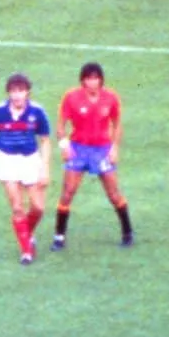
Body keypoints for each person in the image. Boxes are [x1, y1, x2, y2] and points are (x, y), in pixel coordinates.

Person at [53, 60, 133, 250]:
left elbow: (117, 124)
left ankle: (127, 232)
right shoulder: (71, 98)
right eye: (88, 78)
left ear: (101, 80)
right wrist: (64, 146)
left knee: (114, 194)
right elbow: (60, 125)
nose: (92, 82)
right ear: (83, 80)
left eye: (95, 78)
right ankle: (59, 236)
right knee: (67, 192)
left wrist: (114, 148)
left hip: (102, 150)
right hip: (78, 149)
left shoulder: (110, 98)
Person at [0, 73, 52, 265]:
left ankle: (26, 232)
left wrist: (45, 168)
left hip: (30, 159)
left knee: (38, 207)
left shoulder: (37, 111)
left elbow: (45, 140)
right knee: (18, 207)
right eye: (13, 91)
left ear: (27, 92)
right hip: (7, 160)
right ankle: (26, 250)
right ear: (8, 93)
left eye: (21, 91)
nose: (17, 95)